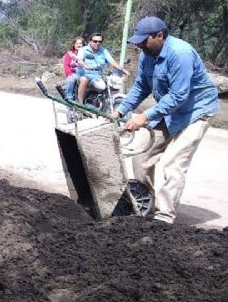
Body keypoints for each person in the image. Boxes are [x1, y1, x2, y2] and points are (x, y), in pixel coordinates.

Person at [110, 16, 219, 224]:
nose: (140, 45)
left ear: (160, 36)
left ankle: (164, 218)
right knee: (140, 154)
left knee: (173, 162)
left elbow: (179, 95)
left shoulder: (180, 53)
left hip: (196, 112)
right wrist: (120, 111)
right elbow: (141, 86)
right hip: (169, 111)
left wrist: (145, 116)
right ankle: (144, 204)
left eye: (144, 40)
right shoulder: (147, 55)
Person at [76, 32, 128, 103]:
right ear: (90, 41)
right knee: (84, 80)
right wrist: (86, 66)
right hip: (84, 74)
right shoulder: (83, 50)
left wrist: (123, 70)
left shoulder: (103, 51)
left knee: (109, 84)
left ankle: (101, 103)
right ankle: (80, 104)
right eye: (95, 41)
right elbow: (79, 60)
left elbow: (112, 62)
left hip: (98, 76)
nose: (97, 43)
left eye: (100, 41)